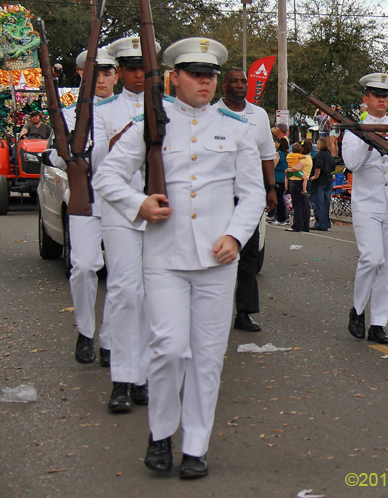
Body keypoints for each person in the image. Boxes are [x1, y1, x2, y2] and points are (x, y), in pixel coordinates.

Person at [94, 37, 264, 479]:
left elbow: (252, 195)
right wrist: (138, 204)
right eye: (195, 74)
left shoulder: (237, 127)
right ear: (175, 77)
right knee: (169, 350)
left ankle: (194, 445)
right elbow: (107, 176)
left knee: (207, 357)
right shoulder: (153, 124)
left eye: (210, 75)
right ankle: (160, 432)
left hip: (217, 260)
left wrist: (236, 235)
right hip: (165, 258)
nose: (204, 82)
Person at [94, 35, 162, 413]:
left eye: (145, 68)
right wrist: (133, 132)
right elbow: (100, 161)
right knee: (124, 291)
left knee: (153, 293)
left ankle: (143, 375)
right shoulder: (102, 111)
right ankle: (121, 377)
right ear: (119, 72)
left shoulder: (169, 107)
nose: (139, 75)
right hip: (120, 208)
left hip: (158, 211)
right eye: (132, 69)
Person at [50, 48, 118, 367]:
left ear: (117, 75)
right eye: (95, 73)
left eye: (107, 73)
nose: (101, 79)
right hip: (85, 197)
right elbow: (54, 155)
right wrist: (70, 159)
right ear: (81, 75)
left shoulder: (130, 111)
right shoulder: (68, 115)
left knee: (122, 273)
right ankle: (85, 332)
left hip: (121, 201)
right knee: (84, 266)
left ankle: (110, 338)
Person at [343, 73, 388, 344]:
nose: (382, 99)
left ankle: (378, 323)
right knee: (371, 259)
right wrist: (371, 141)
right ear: (366, 99)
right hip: (367, 205)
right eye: (376, 95)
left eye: (385, 95)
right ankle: (358, 310)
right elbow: (351, 164)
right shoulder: (354, 130)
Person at [216, 67, 277, 333]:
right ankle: (213, 312)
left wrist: (271, 189)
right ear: (224, 86)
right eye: (234, 82)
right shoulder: (211, 114)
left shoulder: (259, 115)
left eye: (243, 81)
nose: (240, 85)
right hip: (217, 195)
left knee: (249, 255)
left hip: (249, 197)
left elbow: (266, 155)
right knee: (217, 254)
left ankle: (244, 312)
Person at [309, 138, 335, 231]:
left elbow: (318, 166)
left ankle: (319, 223)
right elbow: (333, 168)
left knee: (318, 203)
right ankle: (325, 223)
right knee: (326, 203)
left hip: (319, 181)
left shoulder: (319, 155)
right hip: (328, 180)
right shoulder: (329, 155)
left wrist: (315, 176)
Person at [286, 142, 311, 232]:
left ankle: (297, 225)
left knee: (297, 205)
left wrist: (288, 170)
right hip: (303, 181)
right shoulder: (308, 157)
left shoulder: (303, 159)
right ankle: (305, 225)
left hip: (297, 181)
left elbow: (296, 168)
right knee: (304, 204)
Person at [272, 137, 289, 226]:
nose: (275, 144)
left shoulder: (278, 154)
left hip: (277, 177)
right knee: (282, 197)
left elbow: (273, 165)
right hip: (284, 177)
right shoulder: (287, 154)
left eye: (277, 142)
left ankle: (281, 218)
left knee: (279, 198)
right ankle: (285, 217)